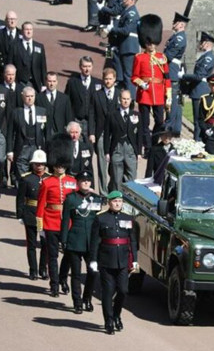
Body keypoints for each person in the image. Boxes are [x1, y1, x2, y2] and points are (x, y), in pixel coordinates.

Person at [90, 190, 138, 334]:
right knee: (108, 292)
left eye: (120, 201)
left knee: (123, 290)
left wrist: (134, 260)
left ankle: (117, 315)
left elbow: (132, 241)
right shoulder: (101, 219)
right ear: (109, 203)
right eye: (115, 201)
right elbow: (95, 242)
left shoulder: (128, 218)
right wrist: (93, 260)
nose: (118, 204)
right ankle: (109, 320)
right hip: (106, 261)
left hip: (123, 261)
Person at [36, 133, 77, 297]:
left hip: (68, 224)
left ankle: (62, 279)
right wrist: (40, 227)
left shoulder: (72, 182)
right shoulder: (46, 182)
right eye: (57, 165)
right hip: (50, 222)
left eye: (62, 165)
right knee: (52, 256)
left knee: (68, 255)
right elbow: (41, 206)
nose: (60, 167)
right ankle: (54, 285)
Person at [60, 171, 103, 313]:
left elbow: (99, 222)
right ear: (77, 183)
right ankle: (77, 302)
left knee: (93, 272)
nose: (86, 183)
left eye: (88, 180)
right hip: (75, 240)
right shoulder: (71, 199)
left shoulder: (96, 199)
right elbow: (66, 220)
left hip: (92, 242)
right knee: (76, 274)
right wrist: (64, 239)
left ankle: (87, 298)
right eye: (83, 180)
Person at [132, 14, 172, 158]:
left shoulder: (162, 58)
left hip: (159, 93)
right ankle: (147, 147)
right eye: (148, 42)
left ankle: (154, 142)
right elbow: (134, 77)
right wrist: (141, 83)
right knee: (144, 123)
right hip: (145, 94)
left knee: (159, 121)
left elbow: (167, 78)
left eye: (153, 42)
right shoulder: (139, 58)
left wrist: (169, 96)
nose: (151, 45)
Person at [16, 150, 50, 280]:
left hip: (45, 214)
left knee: (45, 244)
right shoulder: (26, 178)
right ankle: (33, 270)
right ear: (32, 164)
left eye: (41, 164)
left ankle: (43, 269)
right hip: (31, 212)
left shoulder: (49, 177)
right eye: (37, 164)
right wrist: (20, 214)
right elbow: (20, 198)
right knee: (31, 244)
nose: (39, 166)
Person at [102, 0, 139, 97]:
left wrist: (111, 28)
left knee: (126, 73)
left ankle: (128, 97)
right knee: (110, 61)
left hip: (123, 43)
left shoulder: (128, 11)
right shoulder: (122, 9)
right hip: (113, 40)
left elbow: (125, 30)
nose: (123, 0)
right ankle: (111, 83)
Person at [90, 67, 120, 197]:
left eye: (110, 79)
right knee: (101, 164)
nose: (108, 81)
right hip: (101, 133)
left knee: (115, 163)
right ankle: (103, 193)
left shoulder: (120, 94)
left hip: (115, 134)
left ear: (114, 79)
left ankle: (112, 188)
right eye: (106, 79)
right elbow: (92, 115)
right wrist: (92, 133)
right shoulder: (97, 95)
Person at [181, 31, 214, 142]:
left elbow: (199, 75)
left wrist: (184, 76)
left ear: (207, 43)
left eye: (202, 42)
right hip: (198, 89)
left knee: (198, 120)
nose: (200, 44)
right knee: (198, 120)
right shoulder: (205, 56)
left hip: (200, 90)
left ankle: (198, 143)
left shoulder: (208, 57)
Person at [104, 89, 141, 191]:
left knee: (132, 177)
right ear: (119, 100)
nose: (125, 101)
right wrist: (107, 152)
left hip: (131, 149)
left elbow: (139, 135)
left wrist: (139, 152)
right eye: (123, 99)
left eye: (128, 99)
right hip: (117, 149)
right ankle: (117, 199)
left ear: (130, 100)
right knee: (116, 178)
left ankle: (129, 200)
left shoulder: (136, 115)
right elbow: (107, 134)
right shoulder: (112, 115)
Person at [6, 87, 47, 179]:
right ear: (23, 97)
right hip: (22, 147)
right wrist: (9, 151)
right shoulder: (16, 112)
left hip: (37, 147)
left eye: (32, 96)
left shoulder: (42, 111)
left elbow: (46, 133)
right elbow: (10, 133)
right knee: (22, 175)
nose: (30, 98)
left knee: (37, 172)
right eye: (27, 96)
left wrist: (47, 150)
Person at [163, 12, 189, 135]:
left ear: (181, 25)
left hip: (172, 70)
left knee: (172, 100)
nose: (173, 24)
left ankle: (170, 125)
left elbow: (169, 54)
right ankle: (175, 126)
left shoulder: (179, 38)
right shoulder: (176, 36)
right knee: (174, 100)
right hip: (172, 69)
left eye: (176, 22)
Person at [65, 56, 101, 140]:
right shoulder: (72, 82)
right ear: (80, 67)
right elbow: (67, 101)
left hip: (92, 123)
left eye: (89, 66)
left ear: (92, 67)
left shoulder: (98, 83)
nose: (87, 69)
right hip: (77, 121)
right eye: (84, 66)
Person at [7, 21, 47, 93]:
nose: (29, 31)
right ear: (22, 31)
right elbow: (10, 64)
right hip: (20, 82)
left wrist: (44, 84)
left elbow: (43, 67)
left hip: (36, 83)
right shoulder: (14, 46)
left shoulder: (39, 46)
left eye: (30, 29)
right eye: (26, 29)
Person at [35, 72, 74, 138]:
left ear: (57, 82)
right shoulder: (38, 98)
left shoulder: (65, 98)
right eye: (49, 81)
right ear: (45, 81)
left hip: (60, 133)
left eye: (54, 81)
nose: (52, 84)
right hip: (44, 133)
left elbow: (69, 117)